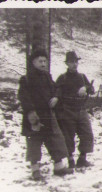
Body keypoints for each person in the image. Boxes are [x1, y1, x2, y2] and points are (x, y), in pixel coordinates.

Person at [18, 49, 73, 181]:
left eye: (44, 61)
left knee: (54, 140)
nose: (43, 63)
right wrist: (31, 113)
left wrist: (56, 97)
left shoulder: (47, 76)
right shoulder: (26, 79)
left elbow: (56, 89)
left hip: (48, 115)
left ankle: (59, 167)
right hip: (34, 116)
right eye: (40, 61)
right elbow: (24, 97)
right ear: (33, 62)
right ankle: (35, 170)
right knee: (34, 143)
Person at [55, 51, 95, 168]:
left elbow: (92, 89)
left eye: (76, 62)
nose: (74, 64)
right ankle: (71, 160)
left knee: (87, 134)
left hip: (81, 109)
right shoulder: (62, 78)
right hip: (67, 110)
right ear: (67, 63)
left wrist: (86, 88)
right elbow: (56, 92)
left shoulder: (82, 77)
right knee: (68, 136)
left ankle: (82, 159)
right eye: (72, 62)